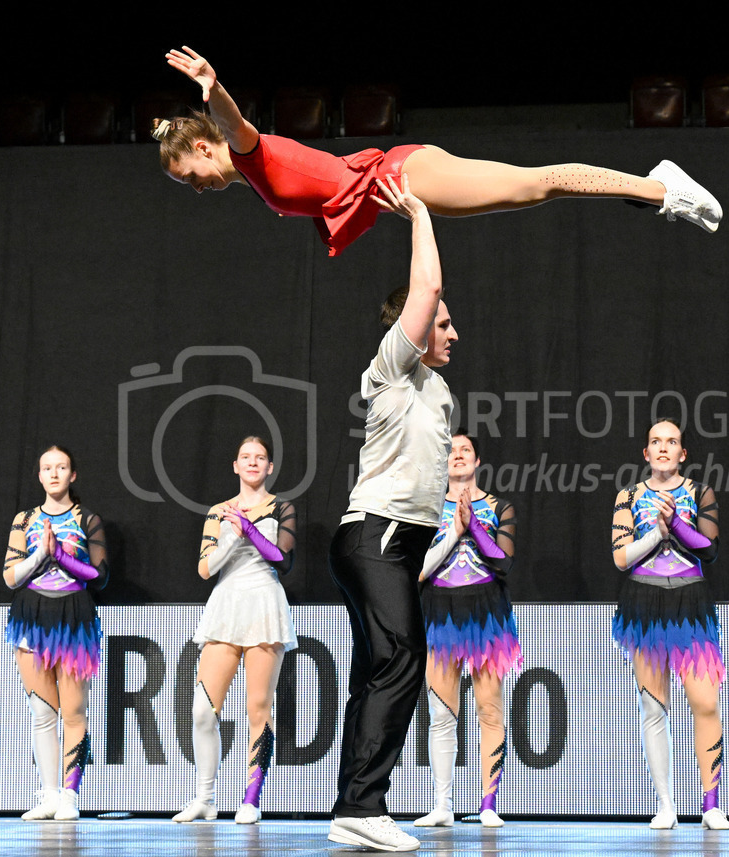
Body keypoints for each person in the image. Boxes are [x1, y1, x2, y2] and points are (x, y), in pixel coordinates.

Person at [153, 47, 722, 257]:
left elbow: (236, 123)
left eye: (191, 175)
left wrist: (214, 85)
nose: (198, 187)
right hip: (402, 187)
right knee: (535, 192)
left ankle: (661, 189)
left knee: (539, 183)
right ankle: (656, 190)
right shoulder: (250, 176)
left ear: (204, 146)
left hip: (404, 174)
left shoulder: (246, 153)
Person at [327, 174, 455, 852]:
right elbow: (425, 289)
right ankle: (363, 804)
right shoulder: (391, 370)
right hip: (372, 534)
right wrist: (421, 216)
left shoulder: (439, 393)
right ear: (409, 329)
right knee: (403, 658)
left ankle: (353, 804)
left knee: (377, 667)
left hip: (398, 544)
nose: (451, 331)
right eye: (441, 323)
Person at [610, 420, 729, 831]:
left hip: (689, 601)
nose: (663, 448)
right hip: (644, 603)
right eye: (655, 442)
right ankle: (665, 803)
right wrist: (657, 532)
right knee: (653, 706)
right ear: (646, 454)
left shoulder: (699, 493)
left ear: (683, 454)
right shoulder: (628, 496)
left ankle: (711, 803)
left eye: (672, 442)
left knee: (706, 703)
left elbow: (710, 549)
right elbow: (621, 558)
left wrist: (677, 525)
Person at [172, 437, 297, 825]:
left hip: (264, 605)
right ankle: (205, 797)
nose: (253, 463)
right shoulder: (218, 512)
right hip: (226, 606)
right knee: (202, 711)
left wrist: (251, 530)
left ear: (270, 467)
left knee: (258, 709)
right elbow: (205, 569)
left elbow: (283, 559)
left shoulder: (282, 507)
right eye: (246, 457)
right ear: (235, 465)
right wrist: (234, 535)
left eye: (260, 458)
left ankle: (251, 799)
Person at [414, 434, 520, 829]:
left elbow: (503, 561)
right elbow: (418, 571)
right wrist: (454, 531)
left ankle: (488, 803)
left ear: (477, 462)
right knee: (441, 715)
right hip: (439, 612)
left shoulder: (499, 507)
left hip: (485, 612)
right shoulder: (424, 510)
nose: (457, 456)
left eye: (464, 451)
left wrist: (472, 526)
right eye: (450, 452)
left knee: (489, 710)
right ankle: (443, 804)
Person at [2, 445, 108, 821]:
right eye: (47, 467)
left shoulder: (87, 519)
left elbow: (100, 576)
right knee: (41, 714)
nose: (54, 473)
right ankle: (48, 794)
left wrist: (62, 556)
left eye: (61, 467)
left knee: (74, 713)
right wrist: (40, 555)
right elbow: (10, 576)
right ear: (39, 475)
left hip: (73, 617)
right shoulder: (24, 519)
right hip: (31, 615)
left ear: (72, 475)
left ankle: (69, 795)